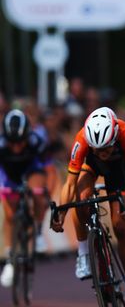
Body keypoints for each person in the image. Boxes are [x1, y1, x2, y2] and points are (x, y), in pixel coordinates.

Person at [49, 107, 125, 307]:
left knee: (120, 225)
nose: (102, 153)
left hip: (119, 172)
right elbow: (69, 183)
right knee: (81, 198)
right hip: (91, 168)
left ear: (114, 138)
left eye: (106, 149)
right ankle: (83, 253)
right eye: (97, 149)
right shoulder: (82, 137)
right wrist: (61, 211)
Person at [0, 110, 50, 287]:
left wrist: (44, 192)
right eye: (12, 143)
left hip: (31, 170)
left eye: (20, 142)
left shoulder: (38, 142)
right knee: (9, 215)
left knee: (38, 192)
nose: (16, 147)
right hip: (8, 174)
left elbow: (48, 169)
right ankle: (10, 258)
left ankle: (37, 231)